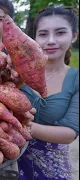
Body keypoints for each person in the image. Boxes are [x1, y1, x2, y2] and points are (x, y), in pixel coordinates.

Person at [14, 7, 79, 180]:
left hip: (51, 170)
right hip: (9, 164)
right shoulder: (17, 73)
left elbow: (70, 133)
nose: (51, 41)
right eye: (43, 34)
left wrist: (24, 126)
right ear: (34, 38)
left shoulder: (76, 79)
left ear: (74, 35)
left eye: (60, 33)